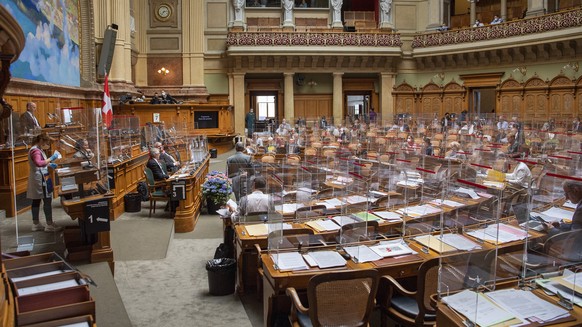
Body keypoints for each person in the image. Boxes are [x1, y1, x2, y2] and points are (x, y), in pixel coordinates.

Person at [27, 133, 62, 232]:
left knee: (36, 200)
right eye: (47, 143)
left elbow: (42, 162)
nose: (48, 145)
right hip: (40, 178)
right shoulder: (35, 151)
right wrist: (52, 158)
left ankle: (36, 223)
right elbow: (38, 163)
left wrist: (50, 164)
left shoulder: (37, 149)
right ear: (41, 141)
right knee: (46, 200)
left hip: (40, 176)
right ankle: (49, 224)